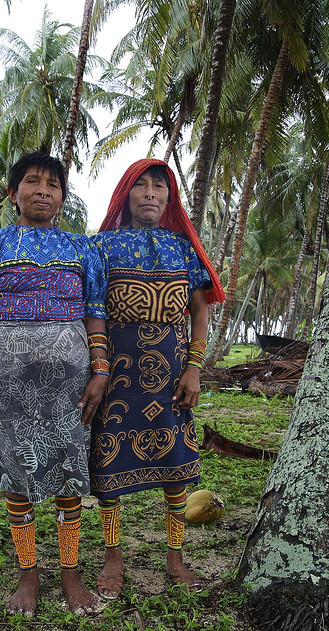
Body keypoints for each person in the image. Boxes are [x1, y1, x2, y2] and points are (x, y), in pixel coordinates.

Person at [0, 152, 109, 616]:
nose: (43, 190)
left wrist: (99, 369)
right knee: (15, 472)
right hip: (7, 379)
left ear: (62, 197)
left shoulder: (83, 248)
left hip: (71, 382)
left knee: (68, 469)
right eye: (32, 181)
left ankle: (70, 573)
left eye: (53, 185)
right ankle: (28, 575)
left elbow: (94, 311)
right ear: (12, 192)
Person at [89, 158, 225, 599]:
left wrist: (194, 368)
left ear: (170, 198)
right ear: (125, 193)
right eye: (141, 185)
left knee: (175, 468)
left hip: (171, 374)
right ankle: (113, 557)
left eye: (159, 187)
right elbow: (91, 313)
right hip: (116, 373)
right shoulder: (101, 248)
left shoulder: (183, 248)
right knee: (110, 465)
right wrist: (97, 369)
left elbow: (200, 311)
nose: (151, 193)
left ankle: (175, 556)